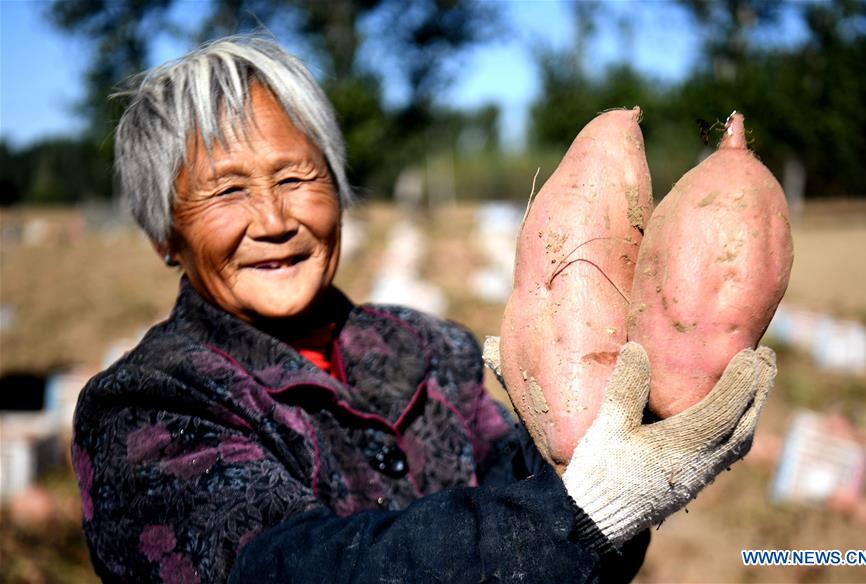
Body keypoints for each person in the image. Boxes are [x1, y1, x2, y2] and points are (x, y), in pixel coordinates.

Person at [71, 35, 776, 583]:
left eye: (296, 177)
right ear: (166, 232)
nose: (275, 218)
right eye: (226, 192)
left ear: (338, 190)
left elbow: (574, 539)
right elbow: (291, 571)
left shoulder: (430, 348)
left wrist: (641, 437)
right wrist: (587, 511)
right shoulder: (144, 407)